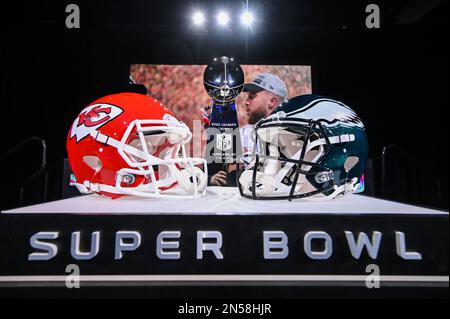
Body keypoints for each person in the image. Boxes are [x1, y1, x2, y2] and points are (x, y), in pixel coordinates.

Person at [209, 73, 288, 186]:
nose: (245, 102)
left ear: (272, 101)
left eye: (252, 96)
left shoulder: (291, 133)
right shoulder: (241, 133)